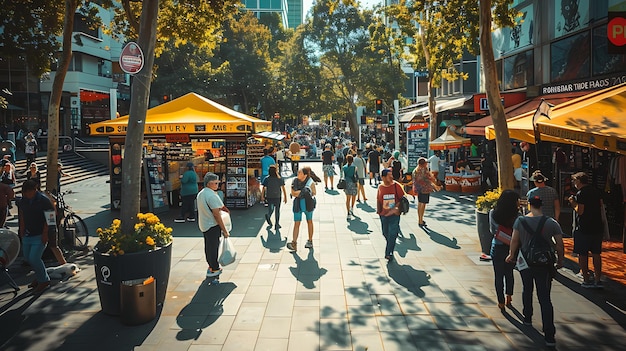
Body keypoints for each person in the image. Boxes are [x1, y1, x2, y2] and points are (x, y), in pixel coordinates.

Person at [506, 196, 564, 347]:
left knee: (527, 289)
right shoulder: (551, 223)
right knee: (545, 297)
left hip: (525, 262)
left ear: (530, 205)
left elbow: (514, 240)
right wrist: (560, 260)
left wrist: (511, 255)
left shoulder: (520, 221)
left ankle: (527, 317)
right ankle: (549, 335)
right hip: (544, 264)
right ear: (542, 205)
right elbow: (559, 244)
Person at [568, 172, 604, 288]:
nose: (573, 183)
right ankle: (598, 279)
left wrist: (573, 203)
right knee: (596, 253)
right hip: (597, 226)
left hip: (584, 227)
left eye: (574, 181)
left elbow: (580, 211)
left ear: (579, 181)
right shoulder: (595, 191)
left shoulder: (581, 193)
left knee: (582, 254)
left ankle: (586, 279)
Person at [18, 180, 54, 293]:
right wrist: (22, 228)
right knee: (28, 258)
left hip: (40, 234)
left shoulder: (44, 201)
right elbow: (22, 213)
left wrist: (45, 233)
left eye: (28, 192)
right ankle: (39, 277)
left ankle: (44, 280)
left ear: (34, 190)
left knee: (34, 257)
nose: (26, 195)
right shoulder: (23, 200)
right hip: (28, 233)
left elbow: (50, 219)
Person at [489, 190, 521, 311]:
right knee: (509, 273)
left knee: (498, 275)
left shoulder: (493, 213)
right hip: (511, 248)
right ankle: (509, 297)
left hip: (497, 246)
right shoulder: (518, 216)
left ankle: (500, 301)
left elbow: (492, 230)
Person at [197, 172, 230, 277]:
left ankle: (211, 266)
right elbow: (216, 214)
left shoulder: (201, 193)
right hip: (212, 225)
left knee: (208, 246)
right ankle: (214, 268)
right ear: (209, 184)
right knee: (213, 247)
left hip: (204, 224)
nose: (218, 185)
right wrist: (224, 230)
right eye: (216, 183)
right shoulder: (211, 195)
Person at [286, 166, 320, 251]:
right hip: (298, 204)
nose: (298, 174)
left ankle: (310, 240)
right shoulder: (295, 181)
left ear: (305, 175)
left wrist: (299, 193)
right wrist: (304, 192)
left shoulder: (310, 181)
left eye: (300, 172)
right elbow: (293, 193)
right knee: (296, 223)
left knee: (309, 221)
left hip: (308, 204)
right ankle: (294, 243)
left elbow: (314, 192)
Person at [377, 168, 404, 261]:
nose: (391, 177)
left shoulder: (397, 186)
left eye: (391, 175)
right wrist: (379, 211)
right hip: (383, 214)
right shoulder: (380, 187)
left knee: (392, 233)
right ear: (383, 177)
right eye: (389, 176)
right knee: (385, 233)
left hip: (394, 214)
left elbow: (402, 198)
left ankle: (389, 252)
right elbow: (378, 199)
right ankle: (391, 245)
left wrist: (396, 208)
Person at [412, 157, 441, 227]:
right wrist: (436, 186)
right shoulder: (425, 170)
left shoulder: (415, 170)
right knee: (423, 204)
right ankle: (421, 220)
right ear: (424, 164)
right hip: (425, 189)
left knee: (419, 203)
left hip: (418, 189)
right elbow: (430, 179)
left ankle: (419, 219)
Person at [262, 165, 287, 230]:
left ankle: (268, 215)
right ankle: (277, 224)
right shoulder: (279, 179)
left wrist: (262, 196)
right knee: (277, 210)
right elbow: (283, 188)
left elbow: (264, 188)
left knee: (271, 209)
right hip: (277, 196)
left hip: (269, 196)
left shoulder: (267, 179)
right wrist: (285, 197)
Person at [342, 155, 359, 220]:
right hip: (353, 183)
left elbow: (343, 176)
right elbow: (356, 176)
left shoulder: (344, 167)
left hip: (347, 184)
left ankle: (348, 212)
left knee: (348, 199)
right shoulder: (355, 167)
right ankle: (352, 207)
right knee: (354, 196)